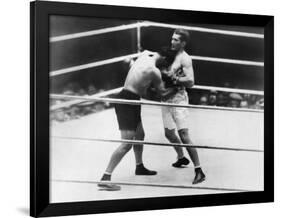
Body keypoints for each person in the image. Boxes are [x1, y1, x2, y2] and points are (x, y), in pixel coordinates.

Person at [98, 48, 177, 190]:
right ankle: (105, 177)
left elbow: (143, 59)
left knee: (140, 134)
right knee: (126, 144)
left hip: (130, 98)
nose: (164, 68)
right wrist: (177, 87)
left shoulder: (145, 54)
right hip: (128, 100)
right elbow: (163, 94)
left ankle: (139, 166)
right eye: (166, 64)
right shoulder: (154, 71)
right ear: (164, 59)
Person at [161, 29, 206, 184]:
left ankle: (199, 170)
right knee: (168, 133)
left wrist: (174, 79)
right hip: (166, 98)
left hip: (179, 99)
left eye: (176, 40)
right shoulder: (169, 54)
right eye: (172, 39)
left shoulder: (185, 58)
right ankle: (181, 158)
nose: (172, 42)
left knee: (184, 135)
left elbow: (191, 81)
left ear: (183, 43)